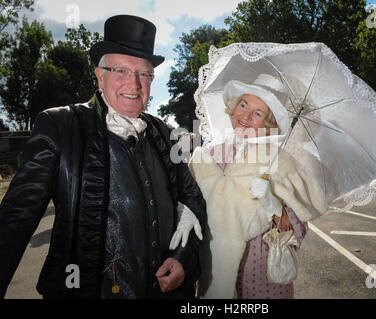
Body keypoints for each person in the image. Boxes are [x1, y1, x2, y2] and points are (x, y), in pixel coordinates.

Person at [0, 15, 206, 299]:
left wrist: (182, 257)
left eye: (144, 74)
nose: (134, 84)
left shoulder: (166, 133)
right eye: (121, 70)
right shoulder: (60, 126)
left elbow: (193, 199)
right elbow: (15, 219)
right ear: (100, 75)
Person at [183, 74, 326, 298]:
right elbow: (190, 207)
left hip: (260, 272)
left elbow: (296, 231)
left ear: (269, 124)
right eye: (243, 105)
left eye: (257, 113)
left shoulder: (281, 162)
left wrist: (273, 205)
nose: (246, 116)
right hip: (214, 266)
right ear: (234, 106)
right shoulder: (209, 154)